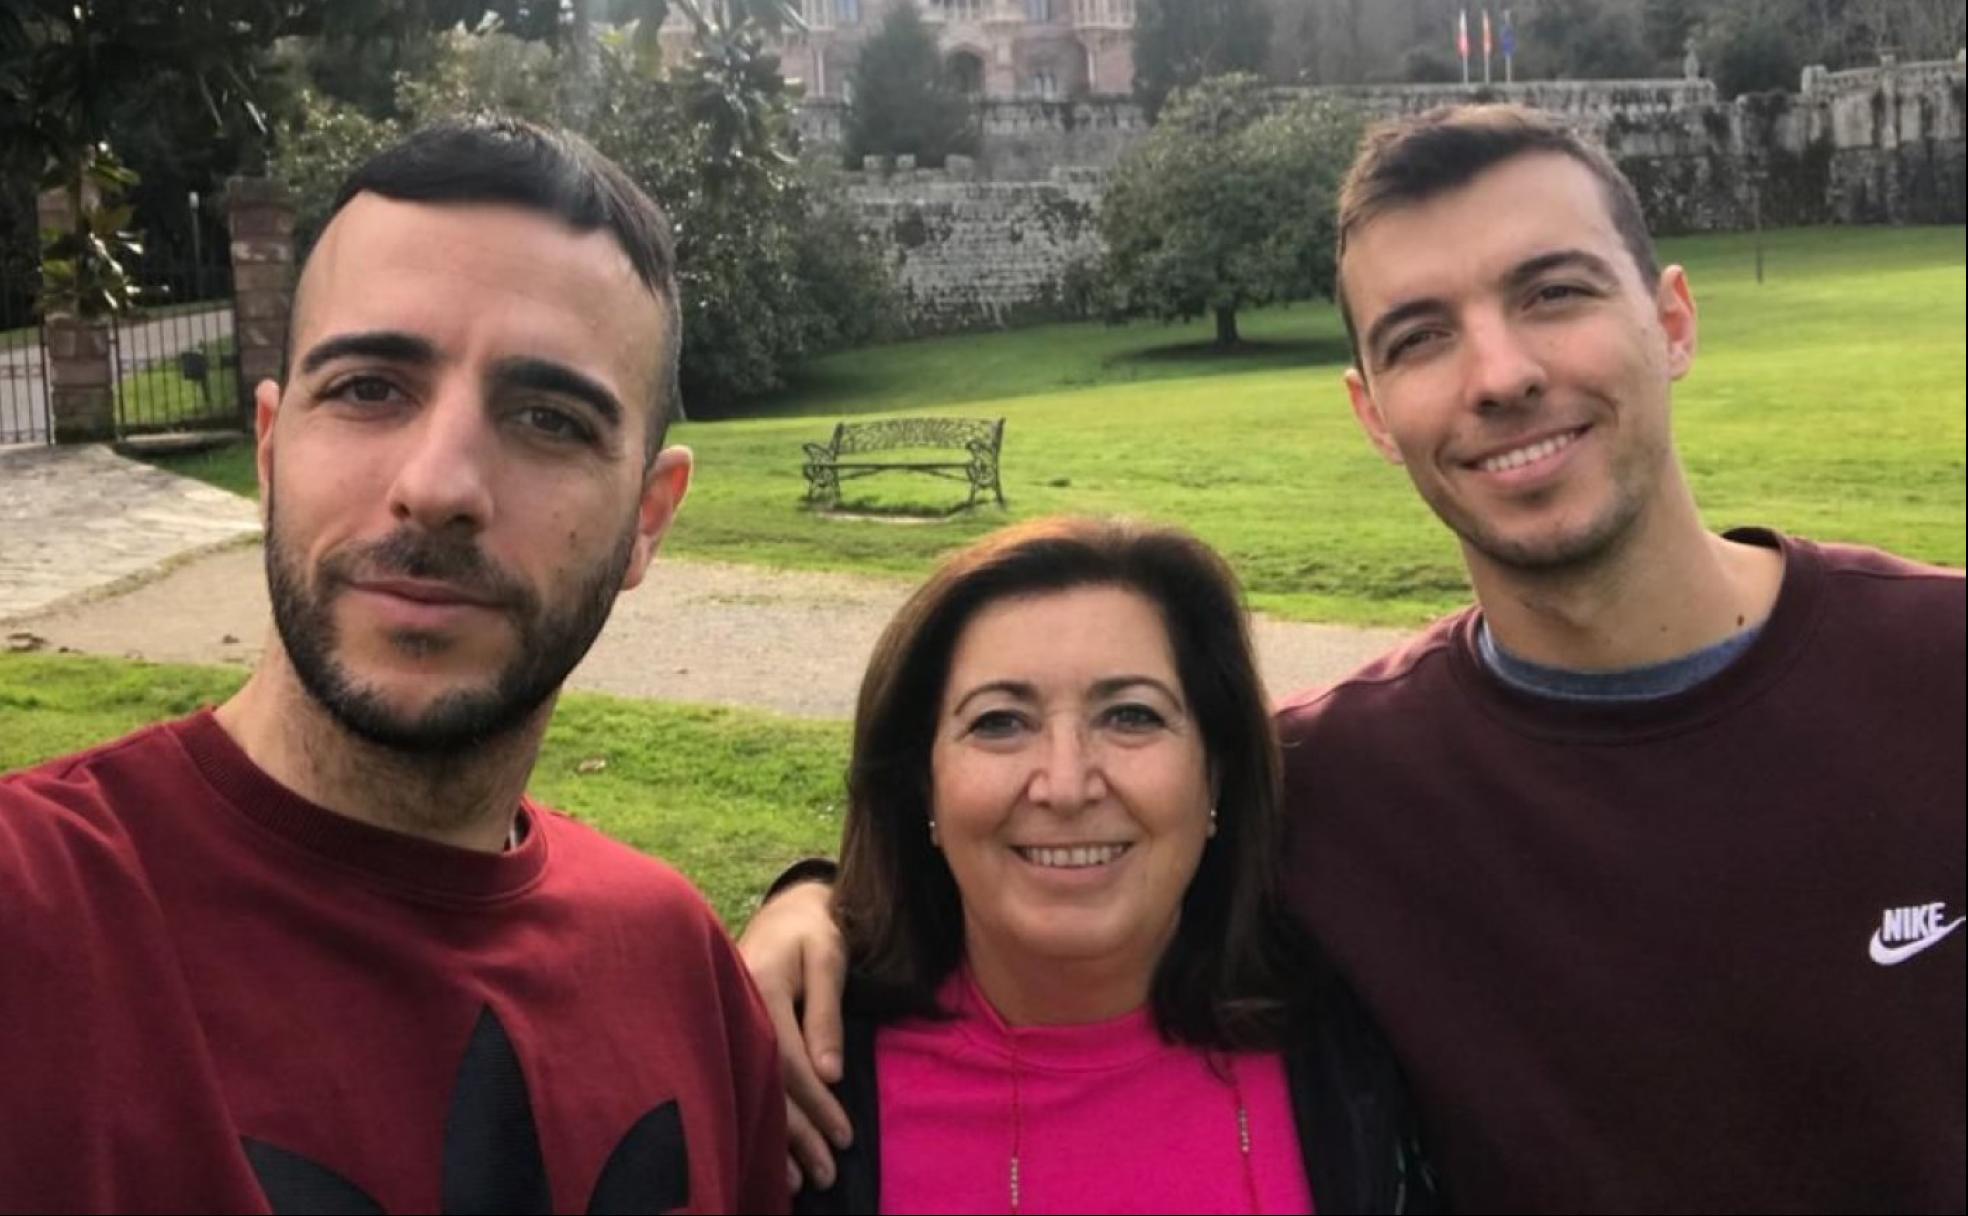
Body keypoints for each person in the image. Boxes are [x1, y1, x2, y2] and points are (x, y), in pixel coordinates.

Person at [739, 103, 1966, 1213]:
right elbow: (1052, 861)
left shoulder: (1937, 670)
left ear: (1674, 320)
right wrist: (811, 908)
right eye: (1423, 336)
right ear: (1371, 410)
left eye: (1554, 293)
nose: (1502, 376)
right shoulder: (1330, 784)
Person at [0, 117, 785, 1214]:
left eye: (550, 418)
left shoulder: (683, 974)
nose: (440, 483)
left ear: (649, 520)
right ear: (271, 454)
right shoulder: (34, 916)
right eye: (370, 388)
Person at [794, 516, 1434, 1214]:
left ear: (1214, 774)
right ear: (925, 785)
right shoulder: (802, 1083)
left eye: (1131, 717)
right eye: (1000, 722)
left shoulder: (1356, 1036)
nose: (1066, 787)